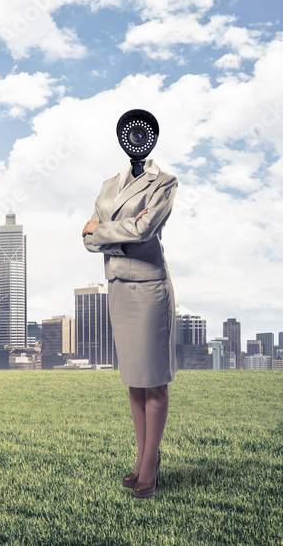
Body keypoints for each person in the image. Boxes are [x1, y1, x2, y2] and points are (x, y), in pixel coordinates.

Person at [82, 155, 178, 499]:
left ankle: (151, 462)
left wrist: (103, 231)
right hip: (119, 285)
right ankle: (141, 456)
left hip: (150, 287)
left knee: (154, 382)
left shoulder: (164, 181)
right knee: (134, 380)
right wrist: (124, 232)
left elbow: (145, 229)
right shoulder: (109, 186)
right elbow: (87, 240)